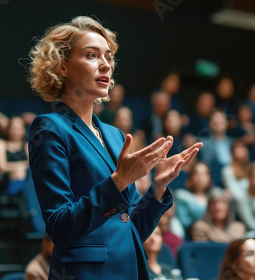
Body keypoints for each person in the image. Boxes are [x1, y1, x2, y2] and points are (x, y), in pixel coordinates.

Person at [27, 16, 202, 279]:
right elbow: (60, 228)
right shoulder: (49, 128)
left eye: (108, 57)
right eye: (91, 55)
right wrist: (118, 181)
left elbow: (130, 228)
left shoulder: (115, 135)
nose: (105, 65)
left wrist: (157, 189)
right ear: (62, 67)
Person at [175, 161, 215, 231]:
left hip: (215, 230)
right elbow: (185, 222)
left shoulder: (213, 195)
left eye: (204, 173)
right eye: (197, 173)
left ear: (209, 177)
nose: (200, 177)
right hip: (194, 232)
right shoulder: (182, 196)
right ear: (190, 177)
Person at [0, 116, 29, 195]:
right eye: (14, 128)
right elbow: (1, 166)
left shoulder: (27, 145)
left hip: (26, 176)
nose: (16, 131)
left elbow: (31, 164)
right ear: (8, 129)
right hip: (5, 177)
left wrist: (13, 166)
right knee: (20, 172)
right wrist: (20, 167)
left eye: (19, 128)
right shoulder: (1, 143)